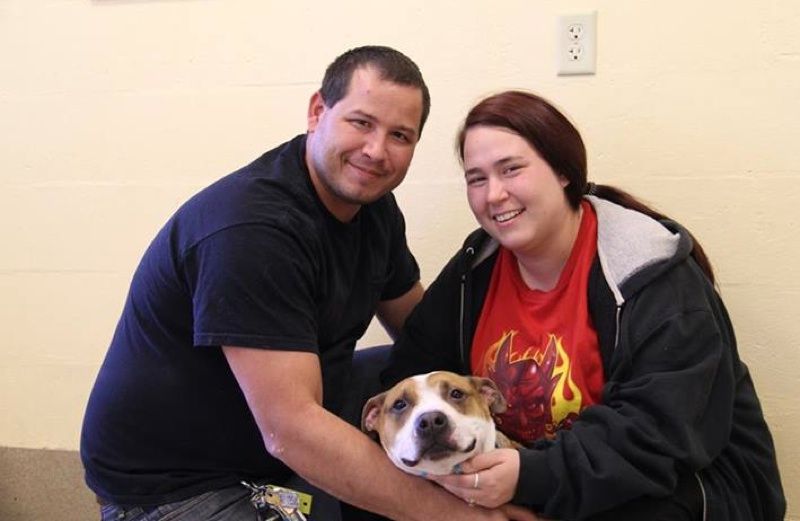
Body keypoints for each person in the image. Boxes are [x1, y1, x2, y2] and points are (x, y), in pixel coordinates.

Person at [80, 46, 530, 521]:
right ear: (318, 111)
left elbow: (423, 338)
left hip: (267, 440)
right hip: (181, 486)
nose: (376, 151)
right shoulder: (252, 231)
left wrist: (519, 446)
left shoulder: (372, 206)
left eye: (400, 135)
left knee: (410, 380)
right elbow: (290, 430)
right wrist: (465, 515)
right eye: (361, 122)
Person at [381, 90, 786, 521]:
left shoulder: (652, 273)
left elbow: (657, 435)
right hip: (535, 476)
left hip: (680, 487)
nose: (494, 194)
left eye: (511, 169)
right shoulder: (474, 271)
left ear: (562, 172)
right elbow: (408, 371)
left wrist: (531, 478)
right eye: (477, 178)